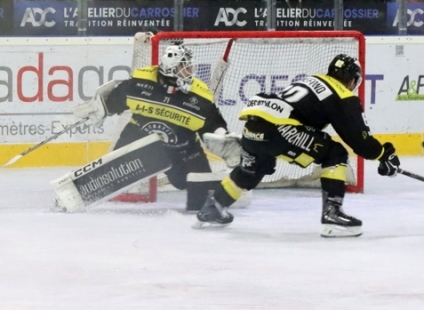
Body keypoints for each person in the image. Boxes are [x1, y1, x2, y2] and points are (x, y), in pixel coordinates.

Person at [193, 55, 401, 238]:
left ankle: (214, 207)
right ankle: (332, 215)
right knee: (335, 153)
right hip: (281, 129)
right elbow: (359, 140)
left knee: (252, 170)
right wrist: (384, 155)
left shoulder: (313, 79)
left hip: (253, 127)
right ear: (352, 80)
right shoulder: (342, 94)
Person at [71, 44, 233, 202]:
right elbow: (116, 99)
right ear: (172, 68)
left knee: (192, 186)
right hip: (139, 141)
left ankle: (230, 189)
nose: (191, 72)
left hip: (182, 149)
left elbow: (213, 121)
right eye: (186, 68)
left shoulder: (200, 95)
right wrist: (102, 107)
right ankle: (76, 193)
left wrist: (223, 136)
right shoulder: (141, 82)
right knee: (112, 175)